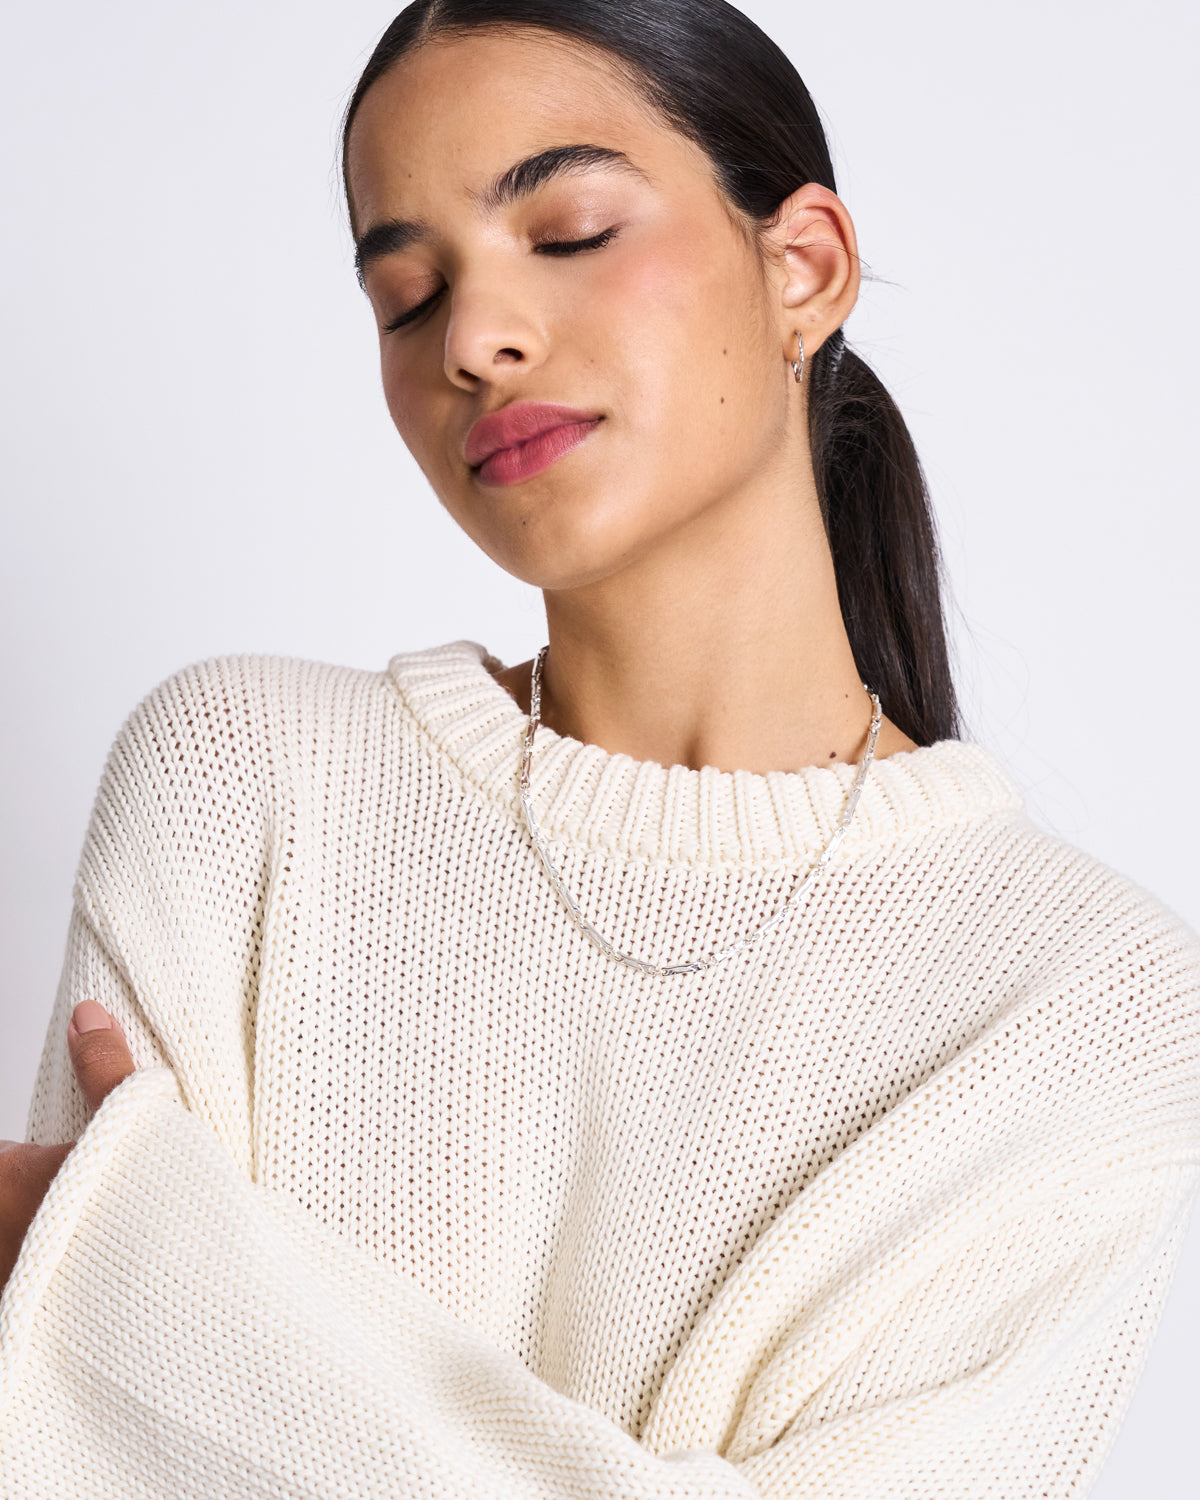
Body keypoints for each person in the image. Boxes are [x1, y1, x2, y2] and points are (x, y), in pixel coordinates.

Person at [1, 0, 1197, 1495]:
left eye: (565, 230)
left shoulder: (1084, 1001)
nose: (477, 341)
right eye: (408, 297)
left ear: (803, 267)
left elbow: (110, 1393)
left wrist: (142, 1294)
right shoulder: (244, 787)